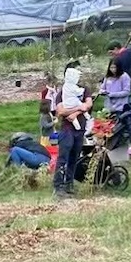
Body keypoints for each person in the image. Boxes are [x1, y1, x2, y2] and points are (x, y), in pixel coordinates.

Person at [53, 67, 93, 200]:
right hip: (67, 129)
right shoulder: (62, 93)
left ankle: (69, 184)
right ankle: (58, 185)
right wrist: (78, 108)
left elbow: (88, 104)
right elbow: (61, 111)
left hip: (80, 129)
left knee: (74, 158)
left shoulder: (84, 89)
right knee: (63, 156)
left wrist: (75, 112)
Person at [99, 58, 131, 157]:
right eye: (111, 67)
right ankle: (107, 146)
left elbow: (127, 91)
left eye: (114, 67)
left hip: (120, 106)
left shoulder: (124, 77)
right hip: (108, 106)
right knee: (106, 127)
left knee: (119, 128)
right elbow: (103, 88)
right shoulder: (108, 77)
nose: (113, 69)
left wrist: (113, 94)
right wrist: (102, 92)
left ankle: (124, 147)